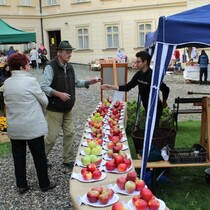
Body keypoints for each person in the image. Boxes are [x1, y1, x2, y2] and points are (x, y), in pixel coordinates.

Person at [40, 40, 102, 170]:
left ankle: (67, 159)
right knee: (51, 137)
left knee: (70, 133)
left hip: (67, 108)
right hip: (54, 109)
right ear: (59, 53)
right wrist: (58, 94)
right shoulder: (50, 67)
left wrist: (88, 82)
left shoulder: (69, 67)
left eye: (70, 52)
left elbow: (76, 82)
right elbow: (44, 87)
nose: (70, 55)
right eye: (68, 52)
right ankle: (40, 158)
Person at [4, 53, 56, 194]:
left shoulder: (7, 83)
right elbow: (44, 101)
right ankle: (44, 183)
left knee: (18, 156)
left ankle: (22, 185)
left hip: (15, 126)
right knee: (39, 155)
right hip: (32, 124)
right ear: (22, 67)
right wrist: (41, 112)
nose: (29, 67)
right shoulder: (30, 81)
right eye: (27, 64)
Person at [102, 51, 170, 127]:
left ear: (145, 62)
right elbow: (127, 87)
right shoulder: (139, 74)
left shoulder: (153, 76)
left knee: (154, 130)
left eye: (138, 62)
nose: (136, 64)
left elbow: (166, 89)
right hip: (146, 106)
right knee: (150, 129)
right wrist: (111, 87)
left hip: (155, 108)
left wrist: (164, 102)